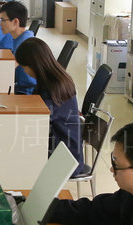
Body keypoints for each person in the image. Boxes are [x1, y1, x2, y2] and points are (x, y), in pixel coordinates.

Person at [13, 37, 85, 174]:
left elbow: (38, 119)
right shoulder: (56, 79)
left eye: (24, 67)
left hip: (64, 159)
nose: (24, 71)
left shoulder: (53, 88)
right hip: (62, 149)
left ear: (34, 65)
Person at [0, 1, 37, 94]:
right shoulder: (23, 36)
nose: (0, 24)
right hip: (21, 86)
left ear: (15, 21)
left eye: (3, 20)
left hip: (27, 92)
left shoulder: (24, 43)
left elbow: (9, 70)